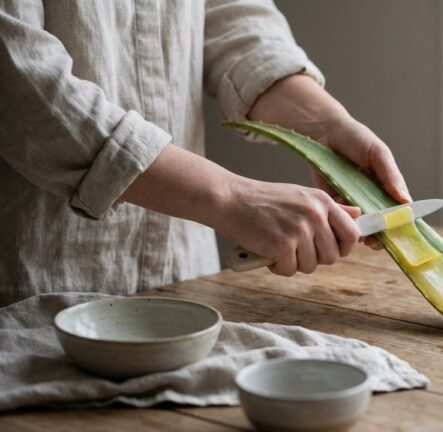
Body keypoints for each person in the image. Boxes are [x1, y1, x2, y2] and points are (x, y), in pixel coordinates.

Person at [0, 0, 411, 306]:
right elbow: (24, 91)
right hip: (34, 288)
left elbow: (230, 15)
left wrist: (327, 127)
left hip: (188, 283)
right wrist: (230, 197)